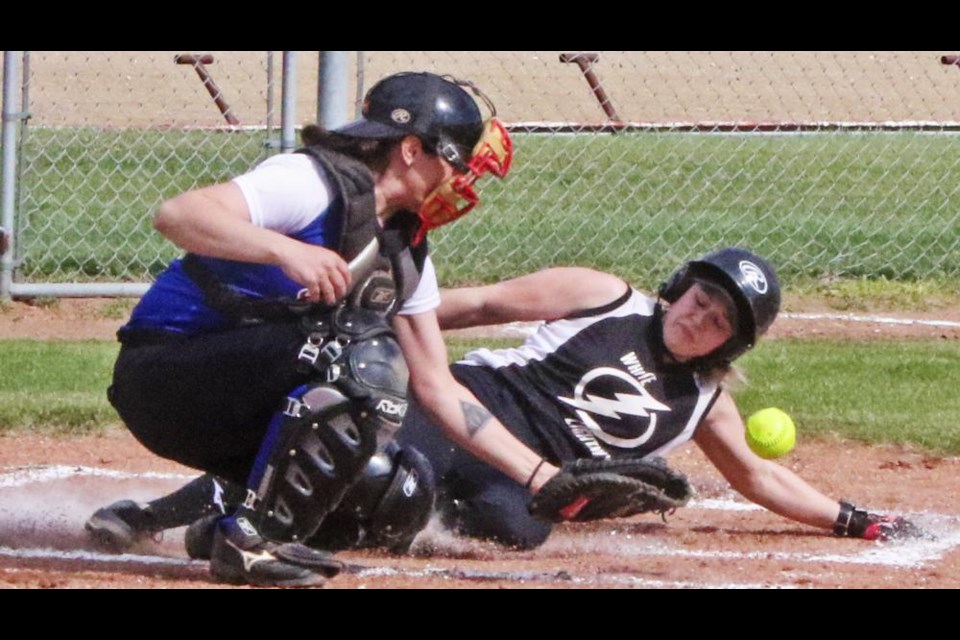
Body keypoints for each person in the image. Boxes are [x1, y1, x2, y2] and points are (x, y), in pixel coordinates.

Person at [90, 247, 920, 557]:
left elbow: (761, 481)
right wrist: (381, 323)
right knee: (369, 455)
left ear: (732, 343)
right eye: (700, 295)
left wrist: (854, 520)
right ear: (679, 287)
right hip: (472, 406)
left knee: (504, 529)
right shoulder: (605, 296)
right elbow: (479, 306)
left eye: (720, 319)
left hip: (520, 486)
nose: (700, 316)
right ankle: (156, 515)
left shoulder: (705, 405)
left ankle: (278, 527)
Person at [84, 70, 563, 587]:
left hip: (239, 401)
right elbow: (177, 214)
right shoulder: (312, 181)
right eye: (455, 161)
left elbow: (438, 388)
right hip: (165, 376)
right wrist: (286, 250)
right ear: (408, 148)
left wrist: (552, 481)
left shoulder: (403, 251)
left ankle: (215, 530)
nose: (461, 180)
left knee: (392, 489)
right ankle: (249, 543)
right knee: (360, 352)